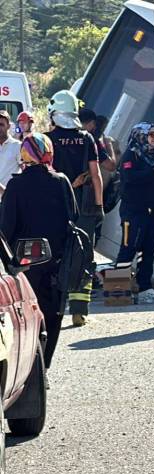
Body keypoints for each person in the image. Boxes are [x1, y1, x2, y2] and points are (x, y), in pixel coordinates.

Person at [0, 134, 76, 367]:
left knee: (27, 316)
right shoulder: (61, 181)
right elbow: (74, 218)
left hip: (24, 265)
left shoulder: (15, 185)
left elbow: (5, 227)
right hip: (56, 264)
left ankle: (29, 365)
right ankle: (44, 366)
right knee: (52, 315)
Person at [47, 90, 103, 327]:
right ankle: (80, 310)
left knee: (57, 256)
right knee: (83, 255)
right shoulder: (87, 139)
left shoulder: (47, 139)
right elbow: (96, 174)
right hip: (85, 207)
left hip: (56, 206)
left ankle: (55, 307)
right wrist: (99, 205)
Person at [116, 123, 154, 302]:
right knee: (128, 247)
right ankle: (118, 291)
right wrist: (152, 172)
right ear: (141, 136)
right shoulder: (131, 154)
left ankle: (144, 287)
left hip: (152, 209)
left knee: (149, 248)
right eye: (151, 135)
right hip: (133, 210)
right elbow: (130, 178)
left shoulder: (152, 155)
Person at [0, 110, 21, 193]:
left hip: (9, 198)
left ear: (8, 126)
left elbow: (25, 171)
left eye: (1, 125)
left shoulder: (17, 146)